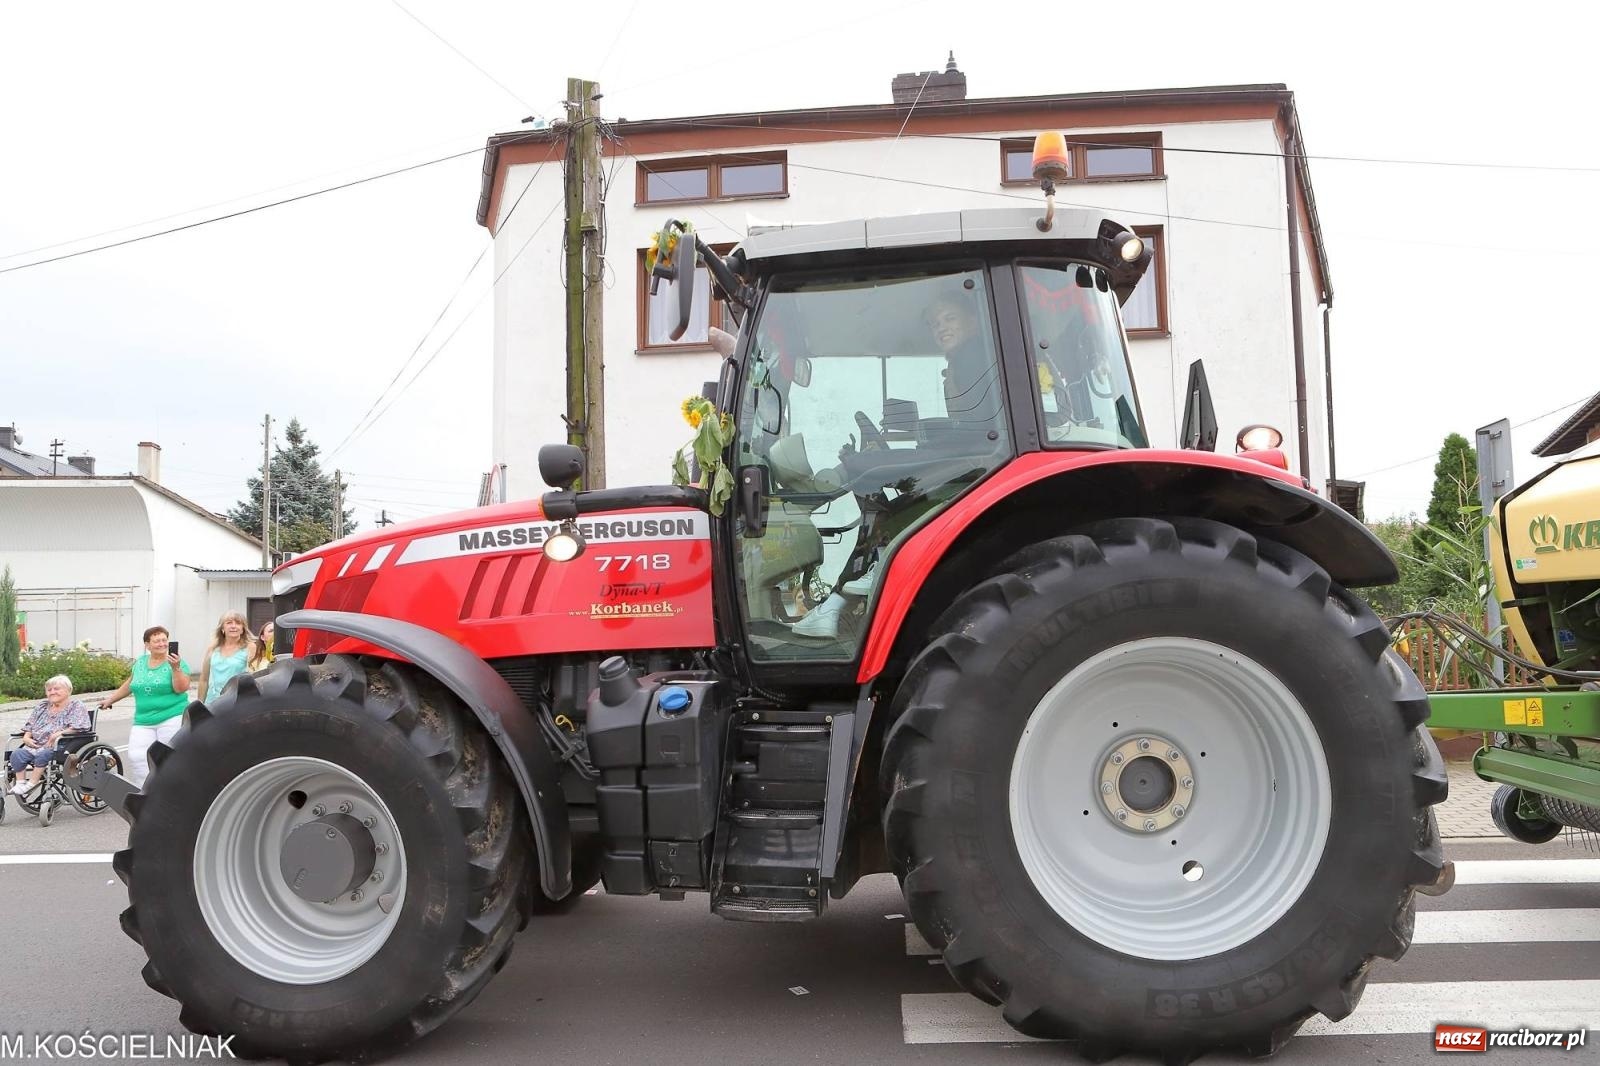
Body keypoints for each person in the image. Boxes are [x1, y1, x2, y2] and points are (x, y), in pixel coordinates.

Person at [791, 282, 1002, 640]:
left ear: (974, 322)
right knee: (871, 471)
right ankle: (861, 576)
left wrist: (913, 436)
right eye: (936, 324)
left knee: (864, 469)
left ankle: (870, 571)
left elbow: (979, 429)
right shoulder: (967, 359)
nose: (942, 328)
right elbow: (972, 425)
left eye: (950, 318)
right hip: (972, 452)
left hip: (975, 458)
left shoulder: (973, 357)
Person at [98, 625, 192, 787]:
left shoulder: (178, 663)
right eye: (156, 641)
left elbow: (181, 688)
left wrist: (175, 669)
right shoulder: (140, 663)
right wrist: (111, 700)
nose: (162, 644)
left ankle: (173, 790)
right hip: (143, 720)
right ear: (147, 645)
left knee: (168, 757)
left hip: (171, 716)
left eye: (164, 640)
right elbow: (130, 684)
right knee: (137, 756)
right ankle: (145, 792)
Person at [8, 675, 91, 798]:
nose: (52, 692)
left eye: (56, 689)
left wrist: (59, 734)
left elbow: (80, 726)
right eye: (49, 690)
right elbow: (30, 724)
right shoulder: (42, 706)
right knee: (17, 754)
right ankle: (20, 783)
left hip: (63, 745)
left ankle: (32, 783)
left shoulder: (76, 706)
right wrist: (26, 737)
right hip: (37, 744)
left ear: (68, 690)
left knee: (44, 754)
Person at [197, 610, 255, 702]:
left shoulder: (250, 647)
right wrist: (199, 704)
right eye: (229, 623)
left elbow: (253, 677)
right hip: (213, 701)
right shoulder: (212, 648)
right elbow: (204, 679)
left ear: (243, 628)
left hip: (237, 701)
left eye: (238, 623)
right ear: (222, 628)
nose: (233, 626)